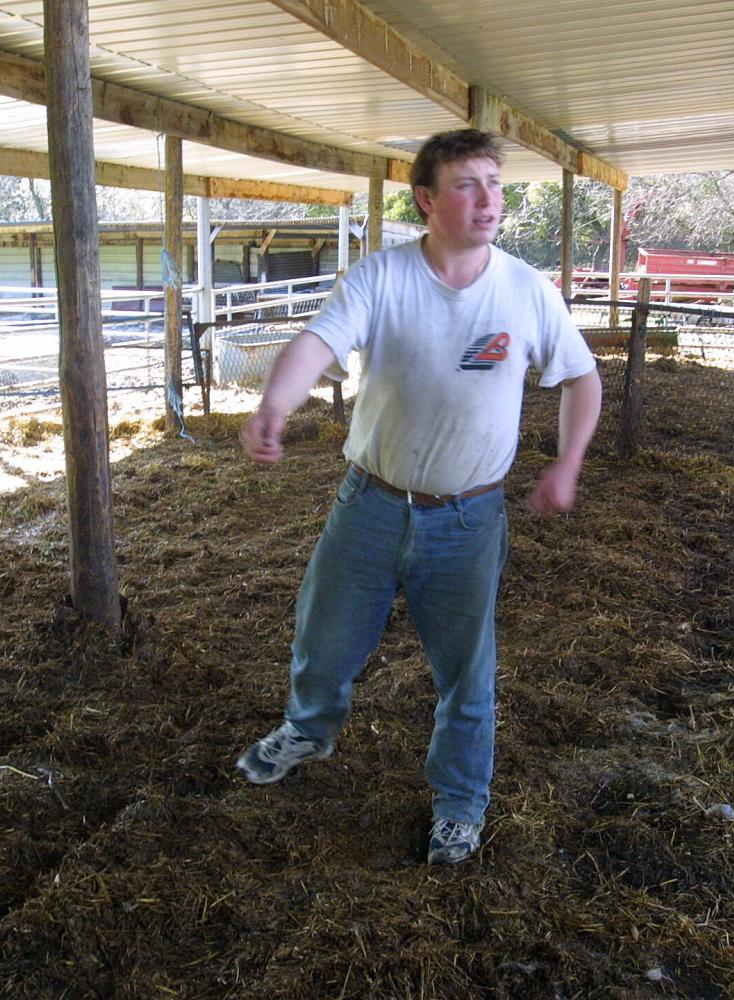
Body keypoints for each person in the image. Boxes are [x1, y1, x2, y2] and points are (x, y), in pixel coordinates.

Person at [234, 128, 604, 865]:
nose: (489, 199)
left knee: (468, 669)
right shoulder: (382, 277)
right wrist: (277, 403)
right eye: (468, 184)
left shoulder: (527, 290)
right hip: (369, 501)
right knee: (323, 633)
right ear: (428, 200)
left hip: (469, 517)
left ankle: (460, 804)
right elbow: (317, 343)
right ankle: (309, 727)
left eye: (495, 183)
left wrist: (568, 463)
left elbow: (582, 379)